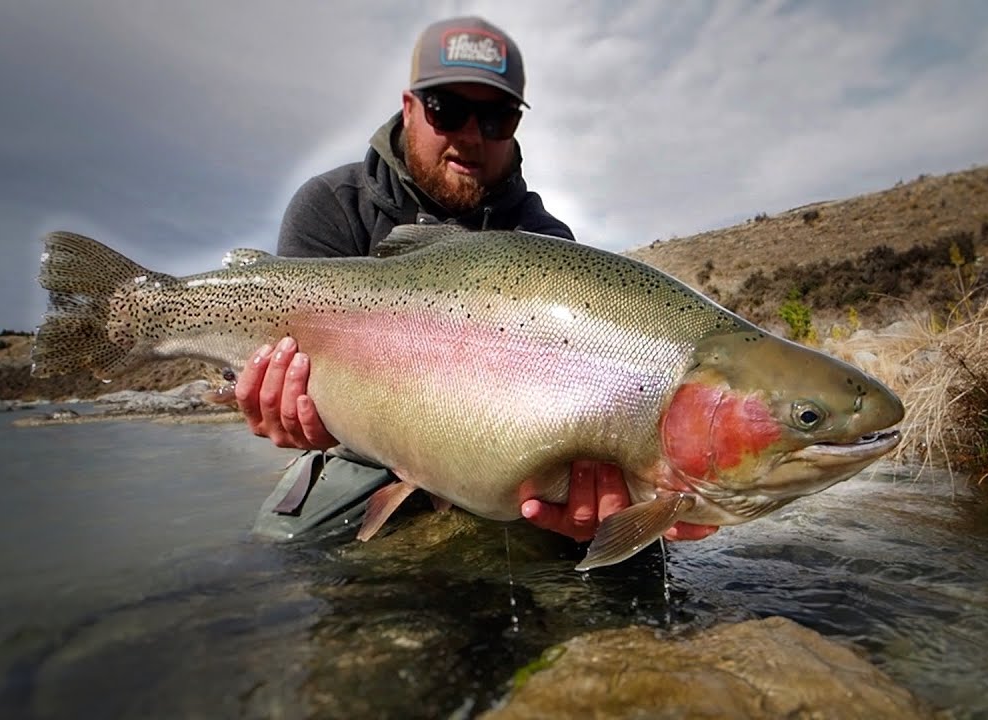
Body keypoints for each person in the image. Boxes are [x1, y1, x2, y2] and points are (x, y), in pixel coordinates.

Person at [238, 15, 717, 544]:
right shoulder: (332, 206)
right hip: (360, 454)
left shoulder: (546, 242)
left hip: (496, 463)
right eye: (448, 109)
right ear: (409, 107)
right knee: (284, 554)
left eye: (496, 118)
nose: (470, 136)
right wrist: (292, 416)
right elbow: (294, 391)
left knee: (627, 559)